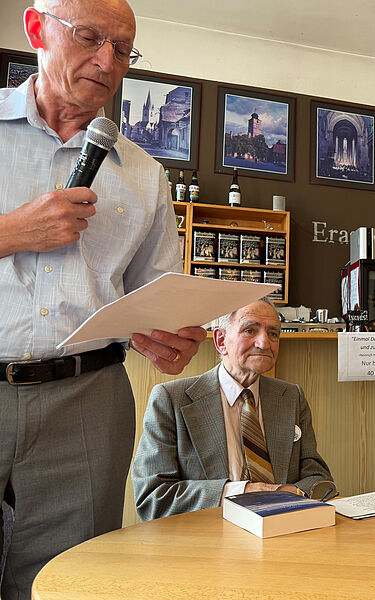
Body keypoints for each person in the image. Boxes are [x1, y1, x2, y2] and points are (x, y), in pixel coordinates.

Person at [0, 1, 208, 598]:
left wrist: (169, 338)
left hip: (89, 400)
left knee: (68, 581)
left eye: (123, 49)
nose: (107, 62)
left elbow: (155, 294)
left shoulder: (144, 174)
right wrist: (12, 231)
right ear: (37, 30)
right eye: (91, 38)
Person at [132, 298, 335, 521]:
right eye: (250, 331)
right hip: (205, 536)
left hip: (282, 531)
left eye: (273, 334)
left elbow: (317, 477)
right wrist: (243, 493)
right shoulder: (171, 399)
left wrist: (294, 494)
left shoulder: (291, 397)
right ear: (220, 341)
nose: (264, 343)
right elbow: (152, 498)